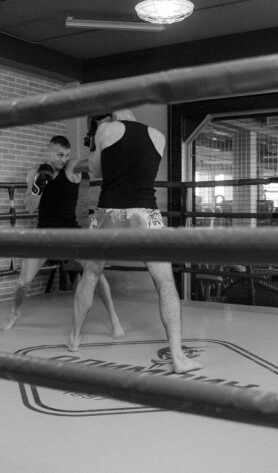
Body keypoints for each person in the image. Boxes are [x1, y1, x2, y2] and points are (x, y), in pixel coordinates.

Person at [68, 110, 202, 374]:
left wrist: (95, 147)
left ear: (112, 116)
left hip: (109, 211)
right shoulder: (159, 137)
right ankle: (177, 357)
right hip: (144, 213)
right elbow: (142, 170)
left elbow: (95, 170)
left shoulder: (105, 130)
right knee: (165, 282)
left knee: (91, 273)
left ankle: (74, 338)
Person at [0, 135, 125, 339]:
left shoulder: (71, 167)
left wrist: (106, 144)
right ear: (48, 151)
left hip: (70, 233)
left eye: (66, 155)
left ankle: (114, 319)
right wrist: (38, 186)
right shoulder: (35, 173)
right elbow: (29, 206)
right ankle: (14, 312)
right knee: (24, 281)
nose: (63, 159)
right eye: (59, 155)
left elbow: (92, 165)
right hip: (44, 234)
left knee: (96, 272)